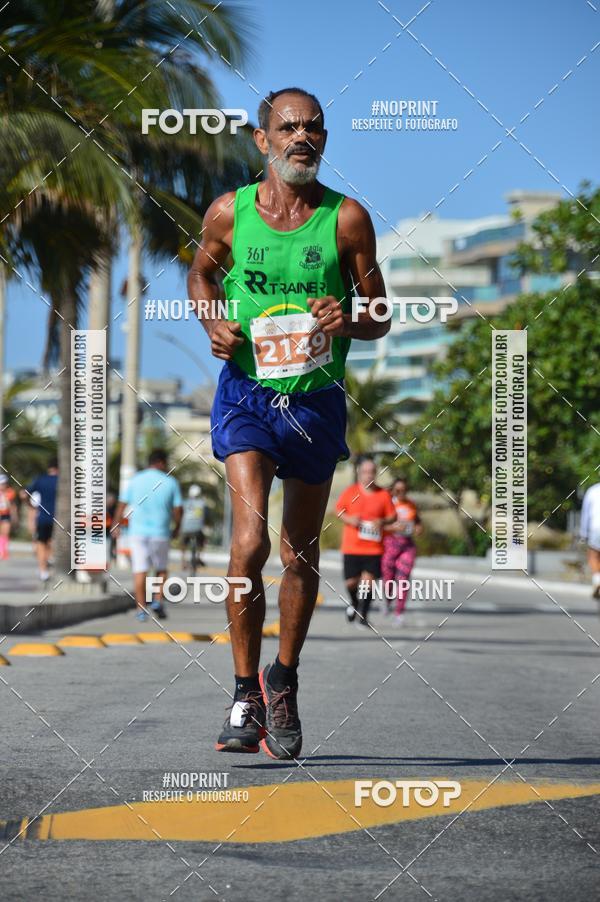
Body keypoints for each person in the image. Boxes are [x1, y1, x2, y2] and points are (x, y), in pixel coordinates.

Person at [187, 86, 389, 758]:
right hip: (247, 394)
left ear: (323, 139)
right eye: (289, 127)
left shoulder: (346, 219)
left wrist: (348, 319)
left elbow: (380, 317)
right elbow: (200, 277)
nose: (302, 137)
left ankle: (283, 678)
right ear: (263, 139)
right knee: (249, 543)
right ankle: (244, 691)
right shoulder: (230, 212)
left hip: (315, 401)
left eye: (314, 128)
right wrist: (212, 323)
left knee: (298, 551)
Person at [113, 449, 183, 620]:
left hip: (138, 533)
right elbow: (178, 509)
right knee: (161, 569)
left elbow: (122, 504)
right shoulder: (171, 482)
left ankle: (141, 609)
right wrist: (177, 527)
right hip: (161, 532)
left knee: (140, 570)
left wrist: (116, 524)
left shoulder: (136, 479)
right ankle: (157, 600)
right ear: (161, 462)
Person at [336, 456, 396, 628]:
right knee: (351, 582)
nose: (368, 475)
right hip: (352, 546)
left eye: (372, 472)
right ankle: (355, 603)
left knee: (368, 582)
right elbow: (339, 510)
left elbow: (393, 516)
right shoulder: (350, 492)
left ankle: (363, 614)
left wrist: (382, 521)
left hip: (373, 548)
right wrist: (349, 519)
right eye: (365, 472)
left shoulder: (383, 494)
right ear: (359, 472)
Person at [381, 477, 422, 626]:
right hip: (390, 544)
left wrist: (418, 528)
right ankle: (387, 601)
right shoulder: (388, 504)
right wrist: (392, 528)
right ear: (392, 490)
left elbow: (418, 522)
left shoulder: (411, 504)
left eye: (404, 490)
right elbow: (378, 526)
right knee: (388, 578)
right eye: (398, 490)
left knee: (403, 579)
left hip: (407, 545)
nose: (401, 492)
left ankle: (399, 613)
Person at [24, 458, 58, 582]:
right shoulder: (64, 480)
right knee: (53, 541)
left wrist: (31, 506)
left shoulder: (40, 480)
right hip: (59, 518)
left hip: (43, 517)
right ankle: (51, 559)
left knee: (41, 543)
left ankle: (43, 571)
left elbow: (24, 493)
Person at [579, 482, 600, 599]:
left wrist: (584, 533)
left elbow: (585, 514)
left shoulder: (592, 490)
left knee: (593, 554)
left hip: (596, 527)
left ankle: (597, 580)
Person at [181, 484, 206, 571]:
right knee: (202, 541)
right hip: (198, 529)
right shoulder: (202, 503)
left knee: (183, 543)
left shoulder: (184, 503)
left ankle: (183, 562)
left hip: (186, 529)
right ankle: (198, 557)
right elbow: (205, 516)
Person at [0, 474, 17, 560]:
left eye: (4, 483)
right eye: (1, 484)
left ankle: (4, 551)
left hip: (5, 514)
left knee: (5, 533)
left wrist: (14, 516)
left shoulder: (10, 492)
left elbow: (11, 506)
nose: (3, 485)